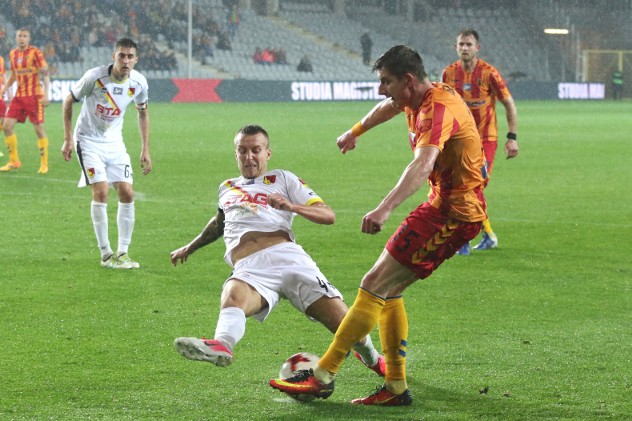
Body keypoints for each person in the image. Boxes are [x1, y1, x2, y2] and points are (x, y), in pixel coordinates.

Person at [270, 45, 487, 405]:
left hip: (453, 214)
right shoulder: (416, 98)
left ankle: (323, 375)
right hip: (443, 205)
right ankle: (396, 387)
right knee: (387, 291)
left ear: (408, 80)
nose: (381, 89)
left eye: (386, 81)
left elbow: (421, 165)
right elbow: (389, 106)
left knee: (373, 284)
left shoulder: (437, 110)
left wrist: (384, 209)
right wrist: (356, 130)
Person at [170, 124, 385, 376]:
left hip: (288, 259)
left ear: (267, 153)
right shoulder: (226, 187)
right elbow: (219, 223)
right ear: (235, 153)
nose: (249, 156)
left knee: (349, 329)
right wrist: (191, 247)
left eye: (256, 150)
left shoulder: (282, 179)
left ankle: (375, 360)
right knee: (232, 293)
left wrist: (292, 206)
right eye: (242, 151)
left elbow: (328, 215)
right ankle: (222, 345)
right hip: (249, 267)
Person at [61, 37, 151, 269]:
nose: (126, 60)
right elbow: (68, 101)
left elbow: (142, 112)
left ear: (136, 59)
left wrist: (145, 149)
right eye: (122, 55)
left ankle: (122, 253)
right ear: (114, 56)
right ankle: (105, 254)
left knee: (127, 193)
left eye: (130, 56)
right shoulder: (95, 77)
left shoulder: (139, 83)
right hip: (88, 140)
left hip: (114, 143)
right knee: (101, 192)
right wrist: (68, 139)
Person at [441, 28, 519, 254]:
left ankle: (465, 237)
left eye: (468, 44)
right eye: (461, 44)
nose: (464, 48)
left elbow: (509, 104)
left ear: (477, 48)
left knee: (474, 185)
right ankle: (484, 235)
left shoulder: (489, 73)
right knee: (461, 186)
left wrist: (511, 137)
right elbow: (442, 106)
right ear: (456, 47)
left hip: (486, 139)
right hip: (459, 140)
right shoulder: (448, 74)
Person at [0, 28, 50, 173]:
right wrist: (5, 88)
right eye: (19, 36)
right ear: (16, 38)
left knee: (38, 128)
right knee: (7, 126)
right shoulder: (12, 54)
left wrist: (46, 93)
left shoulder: (35, 52)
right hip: (19, 96)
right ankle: (14, 161)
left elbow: (45, 73)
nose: (22, 38)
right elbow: (14, 75)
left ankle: (44, 163)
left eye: (24, 36)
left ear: (29, 38)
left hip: (34, 96)